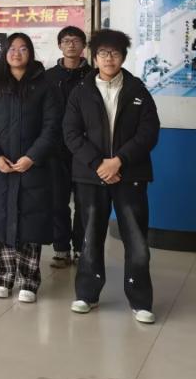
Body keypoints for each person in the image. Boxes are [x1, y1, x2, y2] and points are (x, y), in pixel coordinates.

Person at [64, 29, 160, 324]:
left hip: (129, 175)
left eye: (115, 53)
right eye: (103, 53)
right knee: (90, 237)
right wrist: (99, 164)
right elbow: (71, 133)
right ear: (94, 57)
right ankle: (87, 294)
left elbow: (149, 133)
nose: (109, 58)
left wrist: (118, 162)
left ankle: (141, 301)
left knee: (136, 240)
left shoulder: (138, 91)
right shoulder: (80, 92)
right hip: (91, 176)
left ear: (123, 57)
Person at [0, 32, 61, 302]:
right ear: (5, 52)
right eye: (12, 48)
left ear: (30, 53)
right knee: (1, 218)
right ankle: (3, 277)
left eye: (23, 49)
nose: (17, 53)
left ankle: (28, 281)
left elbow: (52, 126)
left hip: (32, 165)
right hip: (0, 166)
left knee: (30, 221)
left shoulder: (45, 84)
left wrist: (32, 157)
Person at [45, 25, 91, 268]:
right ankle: (61, 248)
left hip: (86, 149)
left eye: (76, 40)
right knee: (57, 201)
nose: (71, 44)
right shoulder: (48, 77)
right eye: (66, 40)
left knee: (85, 202)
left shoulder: (94, 76)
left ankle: (82, 248)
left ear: (84, 45)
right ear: (59, 45)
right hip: (56, 149)